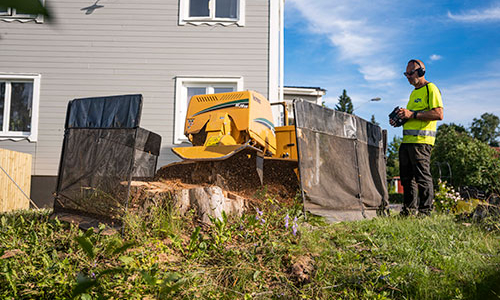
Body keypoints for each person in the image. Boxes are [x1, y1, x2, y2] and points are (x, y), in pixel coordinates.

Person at [390, 59, 443, 216]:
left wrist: (411, 114)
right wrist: (401, 119)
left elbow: (438, 114)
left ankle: (425, 212)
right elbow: (413, 116)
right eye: (406, 74)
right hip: (407, 142)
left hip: (421, 143)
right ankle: (408, 211)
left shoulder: (431, 89)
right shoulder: (414, 93)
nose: (407, 76)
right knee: (406, 179)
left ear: (421, 72)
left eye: (410, 73)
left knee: (422, 178)